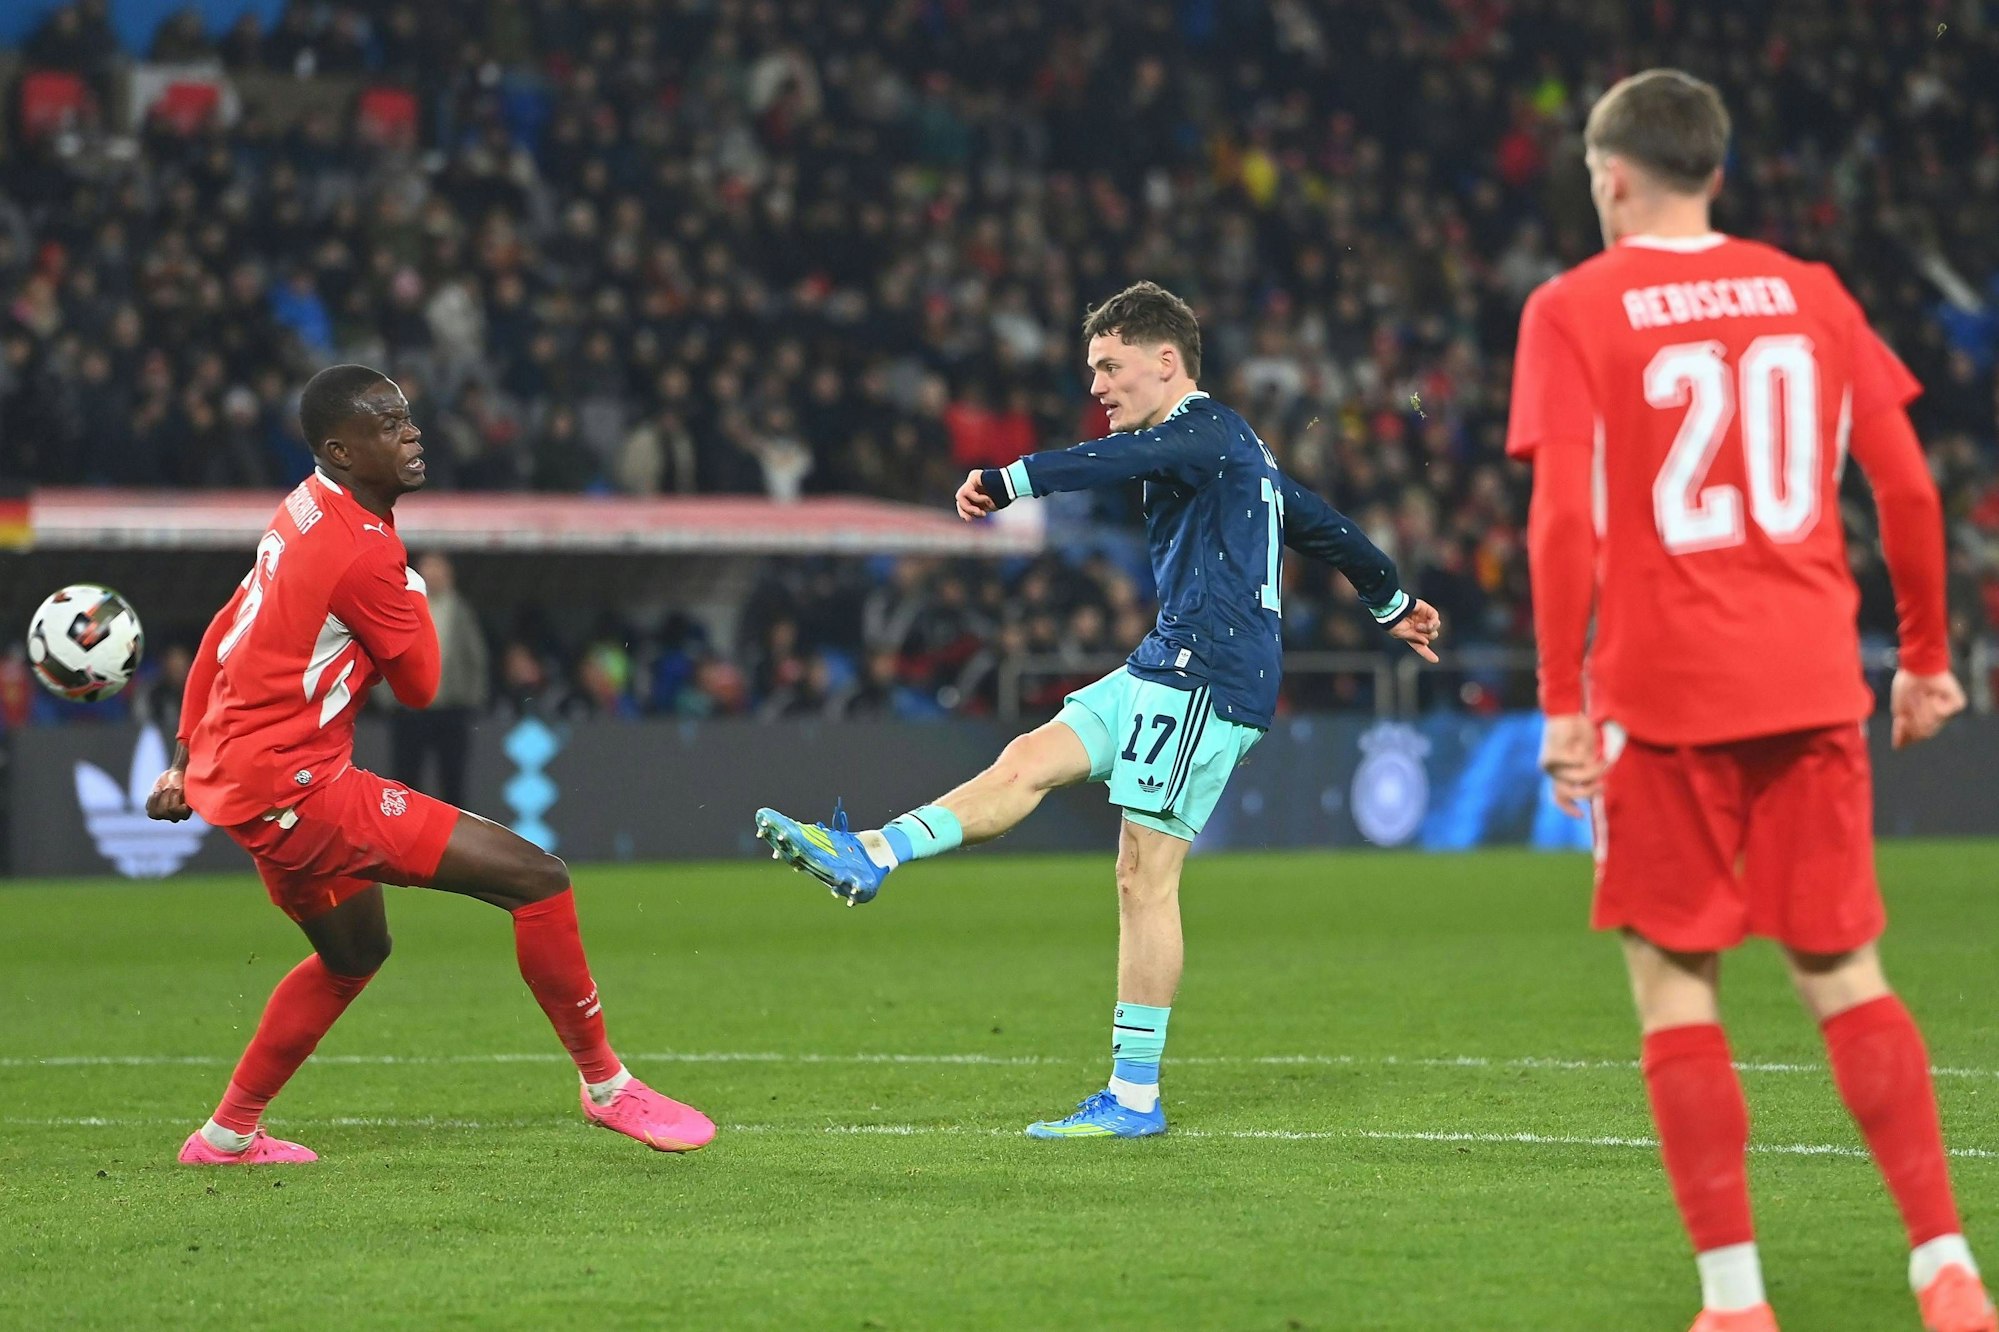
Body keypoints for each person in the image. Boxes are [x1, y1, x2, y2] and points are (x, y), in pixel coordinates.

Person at [1507, 71, 1990, 1332]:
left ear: (1611, 177)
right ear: (1713, 171)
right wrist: (1926, 657)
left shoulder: (1571, 306)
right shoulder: (1813, 293)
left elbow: (1562, 521)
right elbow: (1911, 492)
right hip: (1810, 681)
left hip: (1662, 696)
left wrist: (1563, 701)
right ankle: (1946, 1266)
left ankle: (1735, 1303)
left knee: (1676, 986)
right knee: (1846, 975)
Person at [754, 282, 1442, 1140]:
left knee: (1142, 877)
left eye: (1109, 367)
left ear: (1165, 362)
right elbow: (1324, 525)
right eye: (1091, 371)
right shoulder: (1235, 451)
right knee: (1025, 759)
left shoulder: (1199, 430)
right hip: (1166, 657)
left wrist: (1012, 480)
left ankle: (1135, 1098)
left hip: (1208, 672)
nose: (1096, 387)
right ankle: (872, 853)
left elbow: (1112, 464)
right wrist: (1390, 601)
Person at [146, 363, 713, 1165]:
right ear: (341, 450)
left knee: (355, 954)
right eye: (387, 425)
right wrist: (415, 594)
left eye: (408, 418)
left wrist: (180, 756)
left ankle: (227, 1135)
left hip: (244, 778)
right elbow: (420, 687)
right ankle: (608, 1087)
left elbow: (221, 633)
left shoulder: (301, 508)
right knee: (538, 879)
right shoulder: (363, 552)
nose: (411, 434)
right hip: (297, 788)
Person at [388, 551, 487, 807]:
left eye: (438, 569)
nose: (433, 575)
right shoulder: (402, 605)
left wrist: (470, 699)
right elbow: (385, 650)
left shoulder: (460, 610)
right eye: (428, 569)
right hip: (409, 710)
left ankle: (454, 844)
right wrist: (388, 698)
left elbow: (475, 658)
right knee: (405, 781)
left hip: (450, 709)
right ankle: (406, 840)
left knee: (453, 780)